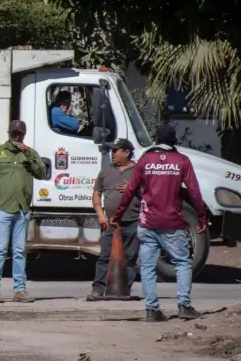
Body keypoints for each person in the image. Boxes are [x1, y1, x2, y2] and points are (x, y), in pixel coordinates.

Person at [112, 124, 208, 322]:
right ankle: (184, 305)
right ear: (173, 141)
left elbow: (130, 190)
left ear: (156, 139)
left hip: (147, 222)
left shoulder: (145, 160)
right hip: (172, 222)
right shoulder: (182, 160)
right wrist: (201, 216)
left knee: (147, 267)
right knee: (182, 262)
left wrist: (117, 215)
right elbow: (194, 191)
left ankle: (151, 310)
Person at [0, 120, 47, 304]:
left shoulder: (30, 154)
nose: (17, 136)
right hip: (2, 209)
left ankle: (20, 290)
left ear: (24, 135)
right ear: (9, 133)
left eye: (20, 133)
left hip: (22, 209)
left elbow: (41, 173)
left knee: (20, 251)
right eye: (14, 133)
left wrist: (29, 154)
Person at [89, 138, 141, 300]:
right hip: (111, 222)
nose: (112, 154)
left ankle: (124, 289)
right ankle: (98, 289)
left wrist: (132, 189)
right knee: (104, 256)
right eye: (112, 151)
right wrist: (100, 214)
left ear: (126, 152)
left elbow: (149, 193)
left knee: (130, 258)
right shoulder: (106, 171)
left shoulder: (138, 171)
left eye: (115, 151)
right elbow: (96, 194)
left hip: (133, 221)